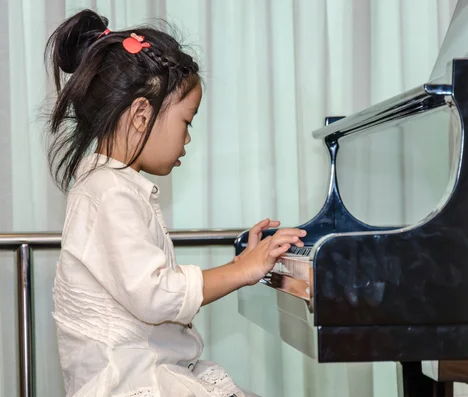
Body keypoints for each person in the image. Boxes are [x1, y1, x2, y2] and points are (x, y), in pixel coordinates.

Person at [45, 9, 306, 397]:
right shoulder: (108, 193)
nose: (187, 139)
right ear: (139, 115)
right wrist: (242, 270)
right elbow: (156, 295)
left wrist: (240, 265)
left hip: (150, 368)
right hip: (133, 381)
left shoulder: (113, 187)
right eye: (187, 121)